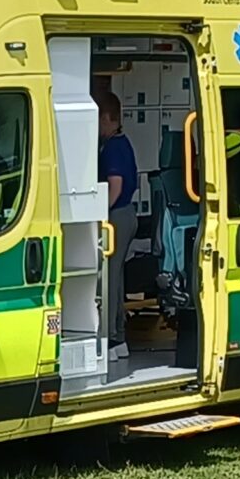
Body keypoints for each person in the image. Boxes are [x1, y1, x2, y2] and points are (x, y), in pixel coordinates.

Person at [95, 89, 140, 361]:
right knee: (118, 278)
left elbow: (115, 185)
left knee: (108, 279)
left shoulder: (112, 147)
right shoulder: (122, 142)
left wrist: (100, 212)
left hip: (117, 216)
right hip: (128, 213)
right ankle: (119, 337)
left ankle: (110, 337)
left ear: (107, 118)